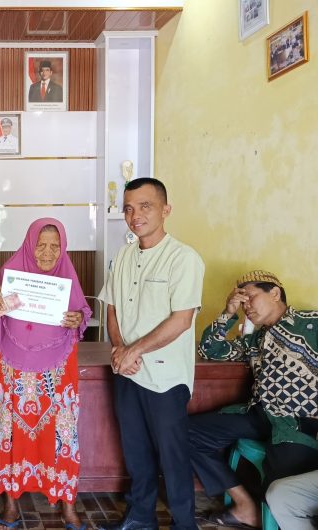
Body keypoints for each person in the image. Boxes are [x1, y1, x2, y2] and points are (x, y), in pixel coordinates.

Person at [96, 177, 205, 530]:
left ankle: (184, 523)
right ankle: (140, 517)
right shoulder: (123, 256)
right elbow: (111, 307)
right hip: (128, 372)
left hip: (165, 378)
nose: (135, 215)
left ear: (165, 210)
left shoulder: (183, 258)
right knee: (136, 452)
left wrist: (134, 350)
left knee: (173, 457)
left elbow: (182, 320)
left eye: (145, 206)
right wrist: (118, 348)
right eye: (129, 208)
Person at [189, 270, 318, 530]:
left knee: (282, 490)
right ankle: (244, 506)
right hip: (259, 415)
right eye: (241, 301)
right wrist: (228, 313)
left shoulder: (311, 323)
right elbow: (210, 349)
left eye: (250, 297)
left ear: (275, 293)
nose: (245, 306)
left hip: (298, 422)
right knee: (185, 433)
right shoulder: (256, 339)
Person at [0, 218, 92, 530]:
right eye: (41, 245)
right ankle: (10, 503)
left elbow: (83, 312)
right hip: (13, 366)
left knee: (63, 434)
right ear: (29, 244)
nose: (47, 253)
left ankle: (67, 503)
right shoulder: (10, 273)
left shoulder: (67, 275)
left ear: (63, 248)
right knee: (11, 432)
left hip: (57, 369)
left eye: (54, 246)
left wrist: (77, 319)